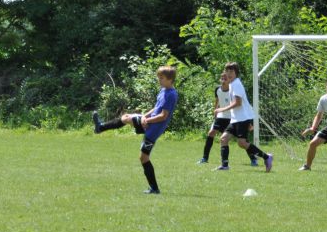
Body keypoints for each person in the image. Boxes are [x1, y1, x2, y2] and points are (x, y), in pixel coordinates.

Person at [92, 65, 179, 194]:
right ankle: (100, 127)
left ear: (170, 79)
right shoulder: (163, 90)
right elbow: (156, 109)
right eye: (158, 77)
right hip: (149, 122)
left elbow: (163, 116)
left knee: (143, 158)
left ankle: (154, 189)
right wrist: (145, 116)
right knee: (126, 117)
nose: (159, 80)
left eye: (162, 78)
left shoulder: (171, 94)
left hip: (153, 129)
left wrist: (146, 120)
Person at [214, 62, 272, 172]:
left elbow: (238, 103)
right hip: (236, 119)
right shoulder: (232, 84)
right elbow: (243, 103)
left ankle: (267, 157)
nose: (229, 74)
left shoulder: (236, 84)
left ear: (236, 73)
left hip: (242, 119)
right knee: (224, 139)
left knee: (242, 143)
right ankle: (225, 166)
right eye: (228, 71)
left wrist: (221, 109)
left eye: (232, 71)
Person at [198, 71, 258, 166]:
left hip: (232, 117)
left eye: (225, 78)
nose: (223, 80)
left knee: (242, 140)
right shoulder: (217, 89)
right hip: (221, 116)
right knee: (211, 133)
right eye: (222, 78)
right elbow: (217, 102)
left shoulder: (233, 89)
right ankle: (205, 158)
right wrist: (216, 112)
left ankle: (253, 159)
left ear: (229, 79)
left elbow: (241, 105)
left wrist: (248, 122)